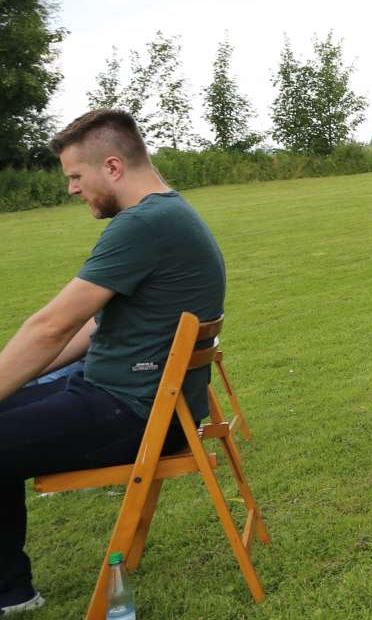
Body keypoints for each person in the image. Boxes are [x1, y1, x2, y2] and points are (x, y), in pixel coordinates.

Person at [0, 110, 226, 615]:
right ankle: (9, 591)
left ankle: (9, 592)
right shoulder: (169, 214)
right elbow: (90, 330)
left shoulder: (144, 225)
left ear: (113, 167)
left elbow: (49, 327)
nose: (73, 190)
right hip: (136, 400)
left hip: (137, 413)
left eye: (76, 177)